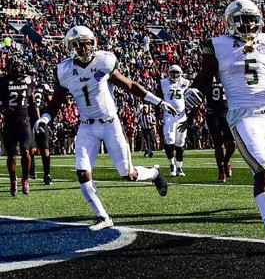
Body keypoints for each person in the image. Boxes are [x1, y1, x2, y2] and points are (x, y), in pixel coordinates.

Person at [184, 0, 265, 252]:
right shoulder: (217, 45)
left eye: (253, 18)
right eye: (244, 19)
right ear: (231, 21)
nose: (250, 23)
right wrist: (193, 93)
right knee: (262, 169)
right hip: (243, 117)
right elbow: (205, 76)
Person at [33, 25, 177, 231]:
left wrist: (159, 102)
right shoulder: (64, 71)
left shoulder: (104, 61)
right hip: (87, 127)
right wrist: (45, 118)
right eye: (78, 45)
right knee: (82, 172)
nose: (84, 48)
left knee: (128, 174)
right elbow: (56, 103)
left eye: (87, 43)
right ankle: (102, 216)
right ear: (69, 47)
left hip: (110, 124)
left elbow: (129, 85)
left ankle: (154, 173)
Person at [0, 55, 37, 196]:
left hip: (24, 121)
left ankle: (25, 179)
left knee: (26, 152)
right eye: (13, 66)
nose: (16, 68)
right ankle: (12, 180)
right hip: (9, 122)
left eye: (18, 65)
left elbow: (32, 101)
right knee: (11, 155)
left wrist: (37, 119)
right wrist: (3, 108)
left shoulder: (28, 80)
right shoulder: (3, 81)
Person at [202, 74, 235, 183]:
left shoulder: (228, 75)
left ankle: (225, 162)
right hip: (213, 114)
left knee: (232, 143)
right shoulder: (208, 77)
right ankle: (221, 171)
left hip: (227, 112)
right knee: (218, 145)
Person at [158, 64, 190, 177]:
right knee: (170, 140)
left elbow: (191, 100)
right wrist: (158, 117)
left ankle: (180, 167)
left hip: (182, 116)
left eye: (177, 72)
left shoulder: (186, 83)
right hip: (168, 115)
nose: (175, 75)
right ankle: (172, 164)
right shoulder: (163, 83)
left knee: (180, 142)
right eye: (173, 72)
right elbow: (158, 99)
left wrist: (189, 115)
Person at [29, 70, 54, 185]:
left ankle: (44, 173)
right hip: (35, 120)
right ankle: (38, 171)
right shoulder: (42, 86)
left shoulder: (31, 85)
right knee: (35, 149)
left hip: (35, 120)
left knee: (42, 148)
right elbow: (51, 102)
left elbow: (51, 102)